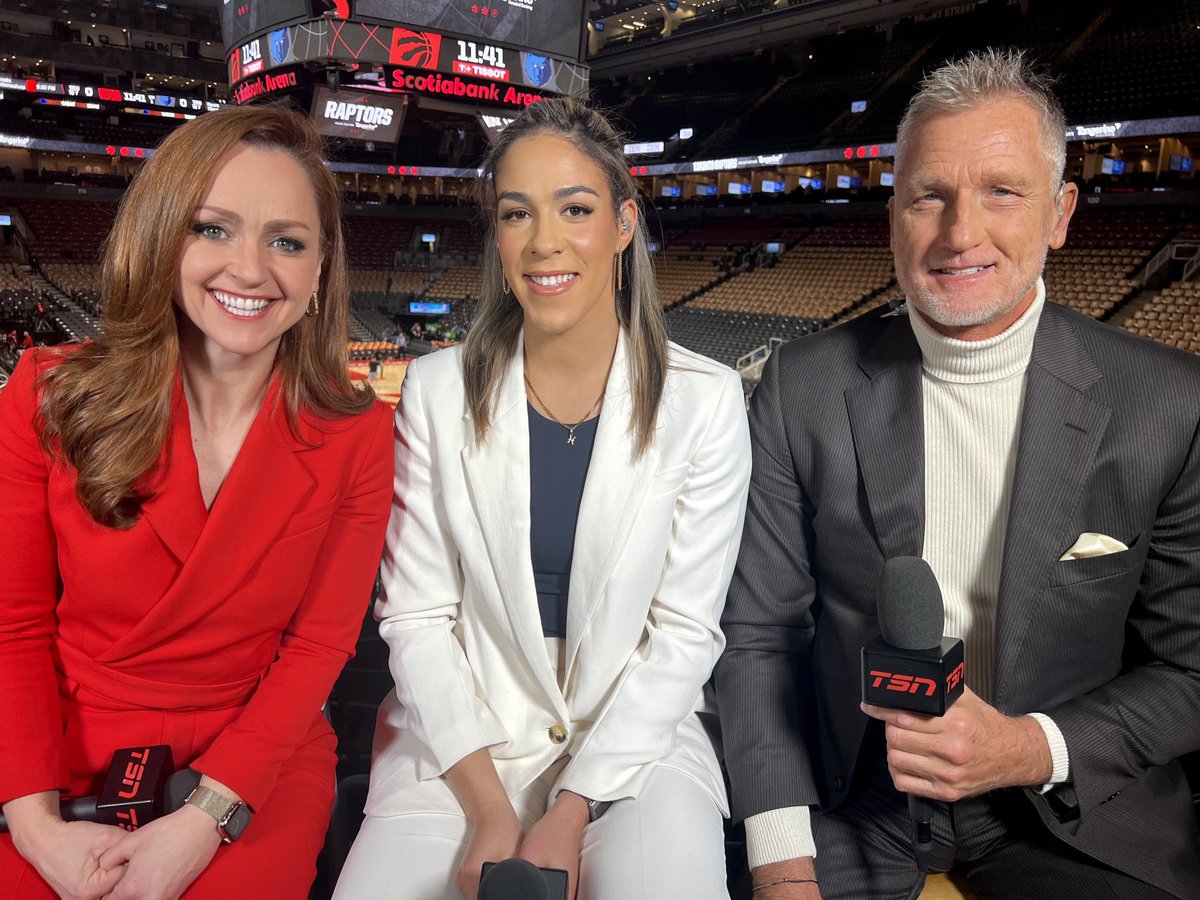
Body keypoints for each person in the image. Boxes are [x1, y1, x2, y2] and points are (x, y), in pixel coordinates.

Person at [715, 48, 1200, 900]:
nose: (959, 233)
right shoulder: (804, 385)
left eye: (1001, 192)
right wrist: (784, 862)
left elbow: (1191, 667)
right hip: (846, 801)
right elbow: (759, 636)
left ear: (1060, 213)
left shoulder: (1171, 405)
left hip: (1065, 808)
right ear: (894, 213)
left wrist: (1031, 746)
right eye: (927, 196)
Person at [334, 97, 751, 900]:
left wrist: (573, 805)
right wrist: (490, 809)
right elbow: (415, 618)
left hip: (638, 744)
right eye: (517, 213)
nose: (545, 242)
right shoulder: (432, 391)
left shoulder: (707, 401)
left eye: (576, 209)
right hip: (461, 746)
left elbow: (684, 635)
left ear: (625, 223)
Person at [0, 105, 394, 899]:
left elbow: (317, 651)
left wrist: (207, 815)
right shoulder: (44, 393)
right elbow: (11, 626)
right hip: (52, 753)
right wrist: (34, 824)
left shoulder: (359, 435)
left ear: (320, 270)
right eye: (213, 229)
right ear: (162, 237)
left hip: (256, 757)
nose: (250, 269)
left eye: (287, 241)